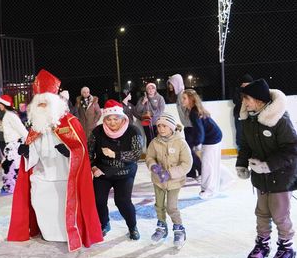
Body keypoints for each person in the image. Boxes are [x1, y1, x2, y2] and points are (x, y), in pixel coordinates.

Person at [7, 69, 103, 252]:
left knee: (62, 210)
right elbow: (34, 153)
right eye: (39, 103)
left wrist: (70, 152)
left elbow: (81, 150)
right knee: (41, 205)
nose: (42, 107)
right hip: (42, 176)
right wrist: (26, 152)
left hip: (64, 177)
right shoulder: (36, 126)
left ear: (54, 103)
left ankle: (66, 234)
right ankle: (48, 233)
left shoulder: (71, 122)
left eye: (45, 103)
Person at [236, 78, 297, 258]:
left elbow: (292, 149)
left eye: (247, 98)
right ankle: (262, 244)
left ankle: (286, 247)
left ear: (259, 100)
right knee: (262, 212)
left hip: (281, 176)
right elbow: (245, 144)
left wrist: (268, 165)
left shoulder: (280, 119)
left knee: (279, 214)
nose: (244, 102)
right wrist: (241, 164)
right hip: (261, 177)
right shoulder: (249, 119)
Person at [88, 100, 143, 239]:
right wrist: (93, 167)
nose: (112, 122)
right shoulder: (97, 131)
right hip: (102, 171)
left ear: (122, 118)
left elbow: (137, 153)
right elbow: (89, 152)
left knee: (122, 202)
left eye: (115, 119)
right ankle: (104, 223)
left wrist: (116, 154)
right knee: (99, 200)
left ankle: (132, 226)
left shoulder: (133, 131)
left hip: (124, 172)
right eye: (109, 119)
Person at [145, 113, 192, 248]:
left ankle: (179, 229)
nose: (161, 129)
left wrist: (170, 173)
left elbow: (187, 164)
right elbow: (149, 157)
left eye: (164, 126)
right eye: (159, 126)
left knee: (171, 207)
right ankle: (162, 227)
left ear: (171, 127)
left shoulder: (180, 143)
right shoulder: (154, 142)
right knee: (159, 205)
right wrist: (153, 166)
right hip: (158, 180)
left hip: (174, 181)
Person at [181, 89, 231, 199]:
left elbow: (200, 130)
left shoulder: (194, 112)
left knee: (207, 164)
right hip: (213, 136)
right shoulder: (193, 110)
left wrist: (197, 144)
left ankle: (209, 190)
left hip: (212, 138)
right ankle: (227, 178)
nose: (182, 100)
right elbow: (199, 129)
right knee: (210, 162)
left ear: (191, 99)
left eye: (184, 98)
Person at [167, 74, 201, 180]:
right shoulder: (178, 96)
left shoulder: (183, 95)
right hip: (188, 127)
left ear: (176, 83)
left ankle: (199, 169)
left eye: (171, 84)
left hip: (192, 127)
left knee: (188, 151)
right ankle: (192, 172)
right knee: (187, 151)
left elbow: (192, 110)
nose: (169, 86)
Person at [0, 94, 28, 194]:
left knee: (8, 166)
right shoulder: (8, 115)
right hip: (11, 145)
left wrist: (28, 141)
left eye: (0, 104)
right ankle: (10, 186)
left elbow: (21, 129)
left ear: (4, 104)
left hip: (14, 145)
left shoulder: (10, 115)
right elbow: (8, 130)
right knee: (10, 166)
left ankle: (10, 187)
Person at [133, 82, 165, 148]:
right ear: (146, 90)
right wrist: (143, 102)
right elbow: (137, 110)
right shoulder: (142, 98)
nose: (151, 90)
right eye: (149, 88)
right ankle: (150, 153)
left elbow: (161, 110)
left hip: (157, 122)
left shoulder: (160, 98)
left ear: (155, 89)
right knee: (149, 138)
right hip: (146, 122)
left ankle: (159, 152)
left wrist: (152, 114)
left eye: (152, 88)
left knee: (158, 138)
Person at [232, 74, 253, 151]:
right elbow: (235, 101)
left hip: (251, 113)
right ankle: (240, 148)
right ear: (242, 83)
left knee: (251, 130)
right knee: (240, 130)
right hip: (239, 113)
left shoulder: (253, 89)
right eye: (246, 83)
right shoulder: (238, 90)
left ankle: (252, 147)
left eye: (249, 83)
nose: (248, 85)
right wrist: (245, 102)